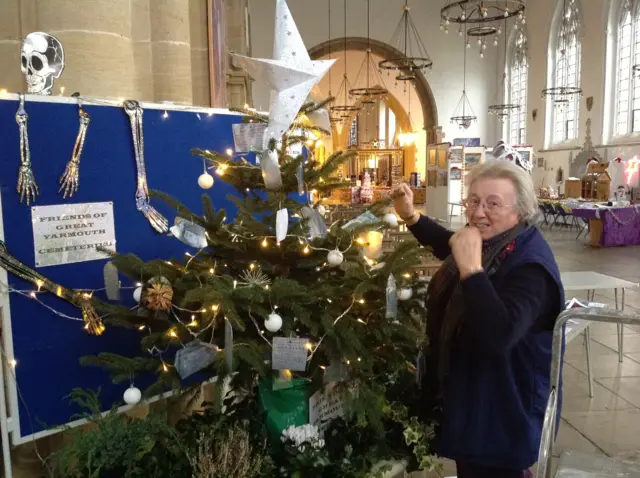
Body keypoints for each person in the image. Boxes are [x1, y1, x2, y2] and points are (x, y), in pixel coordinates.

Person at [392, 160, 565, 478]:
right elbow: (451, 245)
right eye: (473, 200)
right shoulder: (498, 243)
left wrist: (472, 272)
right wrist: (411, 217)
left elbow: (499, 335)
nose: (477, 212)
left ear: (520, 211)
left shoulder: (531, 267)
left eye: (492, 204)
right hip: (479, 398)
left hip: (503, 408)